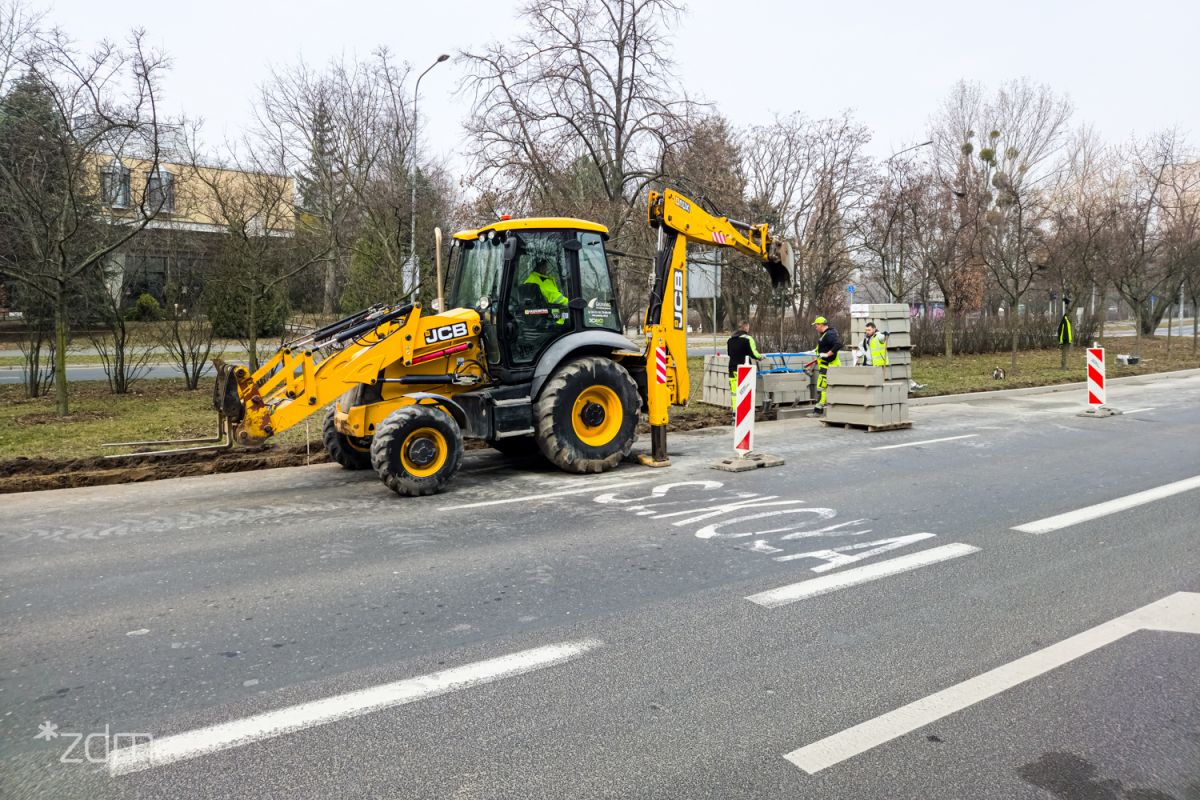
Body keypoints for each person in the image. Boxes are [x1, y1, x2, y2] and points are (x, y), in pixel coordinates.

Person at [726, 321, 763, 409]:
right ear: (746, 327)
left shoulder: (730, 340)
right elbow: (753, 353)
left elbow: (729, 353)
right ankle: (744, 411)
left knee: (734, 392)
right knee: (744, 390)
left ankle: (735, 411)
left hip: (732, 368)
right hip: (744, 368)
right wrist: (760, 357)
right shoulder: (748, 338)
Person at [523, 258, 568, 324]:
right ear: (540, 268)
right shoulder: (542, 280)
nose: (546, 269)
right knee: (569, 315)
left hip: (536, 316)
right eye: (545, 267)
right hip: (550, 318)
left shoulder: (529, 280)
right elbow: (556, 298)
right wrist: (570, 302)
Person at [811, 315, 841, 415]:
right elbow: (823, 348)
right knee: (822, 387)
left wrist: (828, 354)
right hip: (824, 364)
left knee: (822, 387)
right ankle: (820, 408)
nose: (815, 327)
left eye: (816, 325)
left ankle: (819, 410)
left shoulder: (830, 334)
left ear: (821, 325)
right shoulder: (825, 334)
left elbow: (838, 344)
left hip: (829, 365)